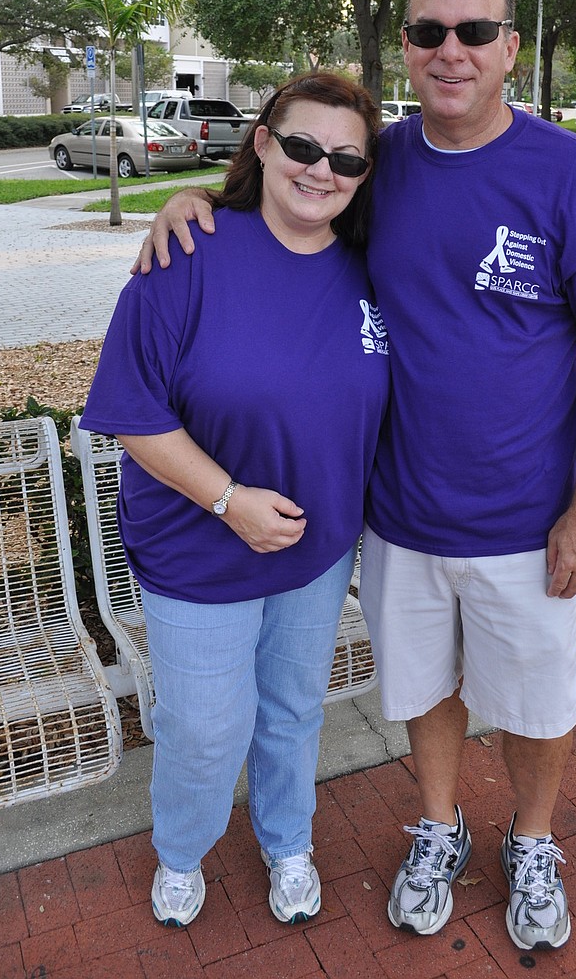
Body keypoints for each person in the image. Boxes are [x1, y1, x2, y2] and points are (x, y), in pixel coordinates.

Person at [134, 0, 576, 952]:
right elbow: (287, 216)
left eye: (475, 32)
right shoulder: (373, 167)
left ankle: (533, 838)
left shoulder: (574, 177)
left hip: (528, 515)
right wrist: (192, 206)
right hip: (393, 516)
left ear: (511, 48)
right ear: (408, 52)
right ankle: (437, 827)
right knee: (425, 691)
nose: (451, 52)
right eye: (429, 33)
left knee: (537, 698)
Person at [79, 72, 389, 931]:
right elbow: (132, 415)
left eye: (346, 158)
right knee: (207, 728)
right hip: (199, 548)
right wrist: (230, 502)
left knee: (291, 710)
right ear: (261, 142)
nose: (320, 169)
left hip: (315, 549)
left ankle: (288, 837)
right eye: (300, 146)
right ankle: (182, 850)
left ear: (366, 174)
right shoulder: (189, 252)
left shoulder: (375, 266)